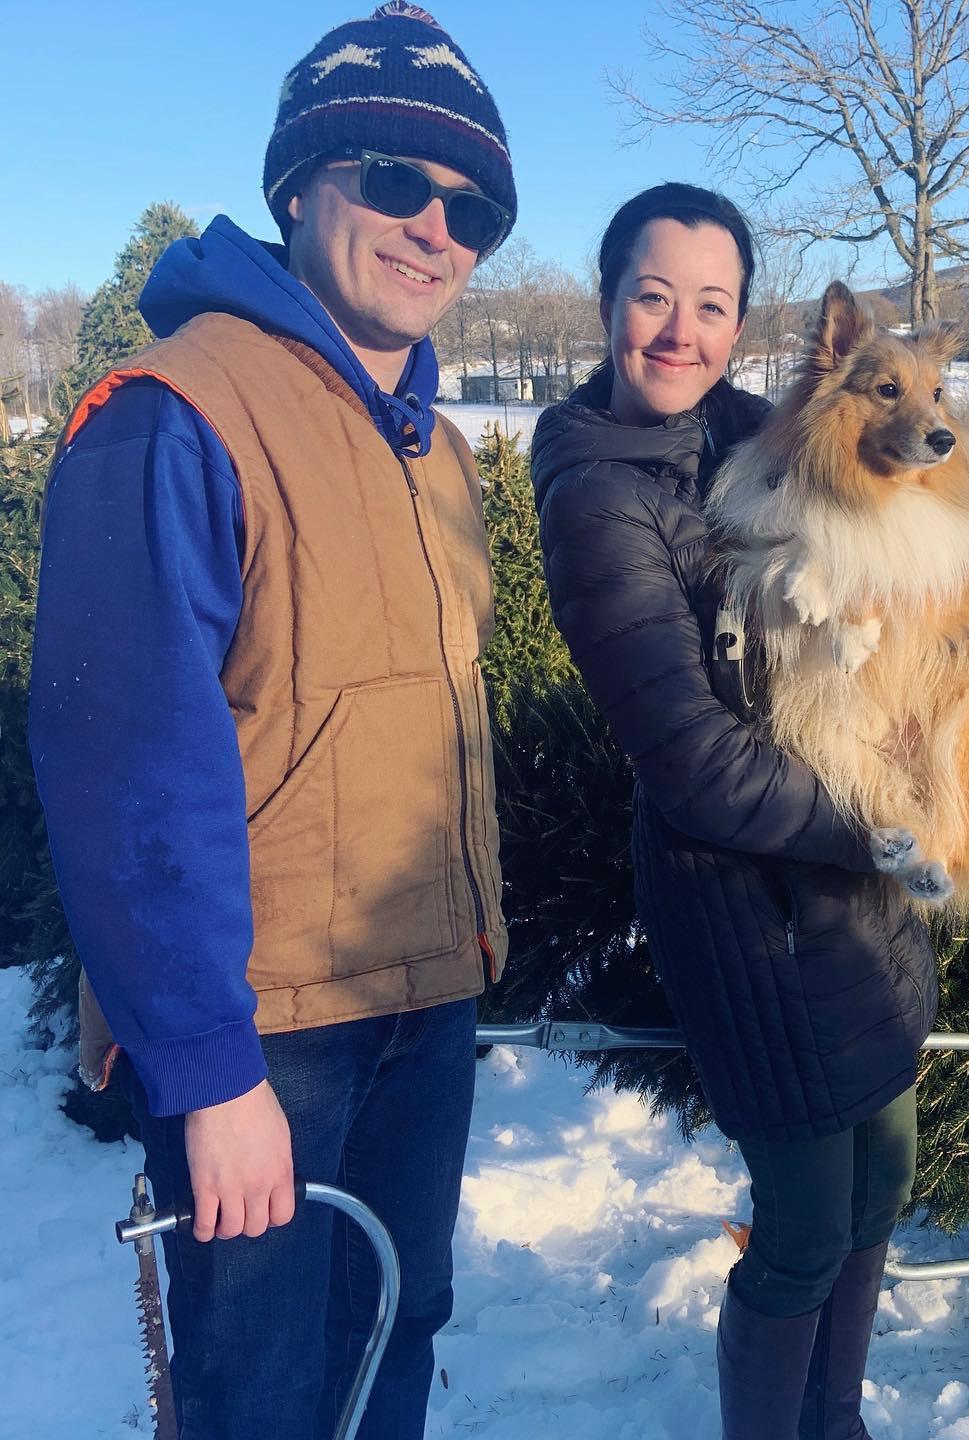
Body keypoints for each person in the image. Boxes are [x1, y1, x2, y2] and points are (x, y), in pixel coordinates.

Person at [28, 6, 515, 1436]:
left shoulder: (437, 443)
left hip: (422, 1000)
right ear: (300, 181)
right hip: (268, 1042)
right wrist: (206, 1069)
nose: (434, 227)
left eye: (470, 205)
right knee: (264, 1400)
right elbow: (127, 764)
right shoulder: (174, 412)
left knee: (394, 1342)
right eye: (393, 178)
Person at [529, 184, 938, 1440]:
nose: (678, 330)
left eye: (711, 305)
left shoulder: (753, 431)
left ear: (739, 321)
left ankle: (839, 1420)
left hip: (858, 884)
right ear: (608, 302)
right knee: (808, 1224)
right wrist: (873, 830)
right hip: (748, 907)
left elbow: (891, 504)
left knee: (887, 1177)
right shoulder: (600, 496)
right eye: (653, 295)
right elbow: (695, 761)